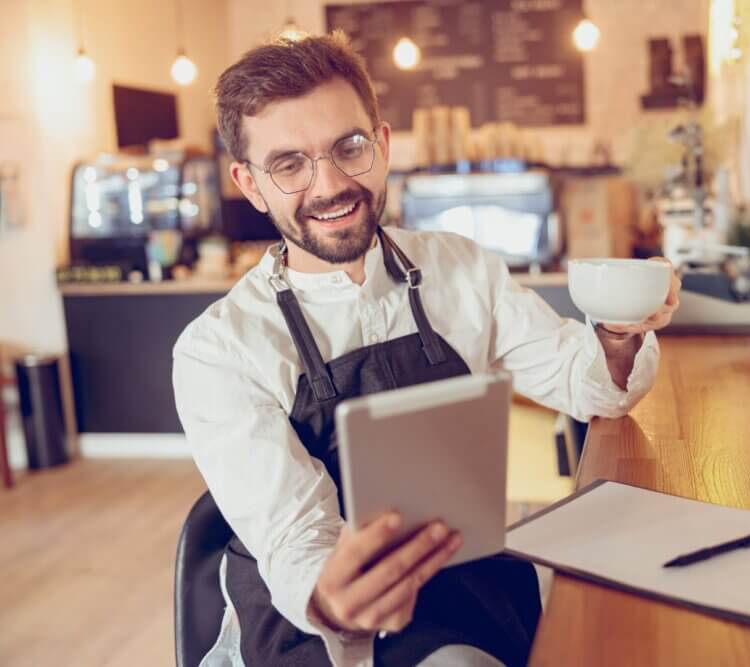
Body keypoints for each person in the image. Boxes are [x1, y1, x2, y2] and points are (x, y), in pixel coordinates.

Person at [172, 31, 681, 667]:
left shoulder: (461, 269)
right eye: (289, 164)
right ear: (250, 184)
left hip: (467, 576)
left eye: (348, 148)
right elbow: (295, 536)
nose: (329, 184)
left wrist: (617, 331)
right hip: (311, 620)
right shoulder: (218, 350)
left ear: (381, 146)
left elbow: (584, 384)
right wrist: (334, 597)